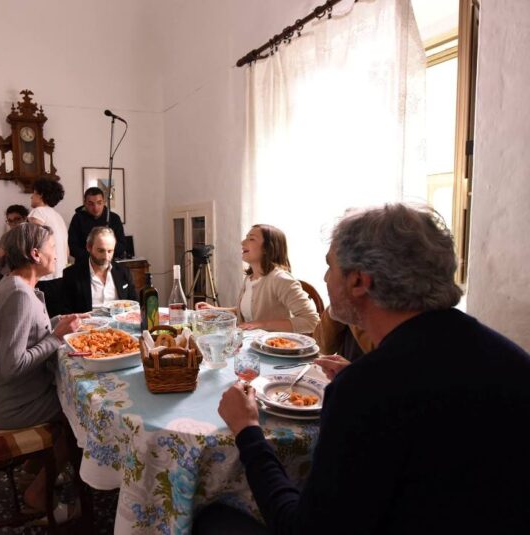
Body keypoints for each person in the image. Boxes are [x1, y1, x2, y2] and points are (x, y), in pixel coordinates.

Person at [205, 204, 530, 534]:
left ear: (358, 280)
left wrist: (247, 430)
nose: (325, 278)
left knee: (210, 516)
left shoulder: (366, 390)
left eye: (329, 266)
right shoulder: (512, 359)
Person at [0, 222, 82, 519]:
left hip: (2, 395)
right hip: (6, 403)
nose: (57, 254)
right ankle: (38, 493)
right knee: (78, 414)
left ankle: (32, 470)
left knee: (70, 403)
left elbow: (30, 331)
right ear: (35, 254)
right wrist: (57, 337)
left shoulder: (13, 283)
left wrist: (61, 321)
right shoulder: (20, 295)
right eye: (52, 248)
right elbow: (13, 365)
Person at [197, 224, 319, 333]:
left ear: (267, 248)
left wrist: (261, 324)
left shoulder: (280, 279)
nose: (243, 242)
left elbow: (312, 321)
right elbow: (245, 312)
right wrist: (215, 310)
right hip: (252, 346)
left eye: (251, 239)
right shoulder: (249, 279)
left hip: (276, 351)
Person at [61, 227, 136, 313]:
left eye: (110, 251)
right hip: (87, 324)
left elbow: (134, 304)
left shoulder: (124, 272)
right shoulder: (71, 274)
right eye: (101, 251)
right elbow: (66, 312)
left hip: (120, 323)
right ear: (89, 247)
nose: (106, 257)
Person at [68, 186, 127, 265]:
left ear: (104, 202)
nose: (95, 208)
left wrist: (105, 254)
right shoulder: (78, 218)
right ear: (85, 203)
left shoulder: (114, 218)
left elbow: (122, 245)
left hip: (109, 265)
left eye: (99, 203)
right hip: (84, 265)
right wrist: (92, 257)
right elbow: (72, 245)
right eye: (91, 204)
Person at [27, 178, 69, 279]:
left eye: (34, 192)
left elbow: (34, 242)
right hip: (60, 274)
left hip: (44, 276)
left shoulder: (37, 212)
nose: (31, 196)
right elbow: (67, 250)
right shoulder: (58, 216)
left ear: (40, 194)